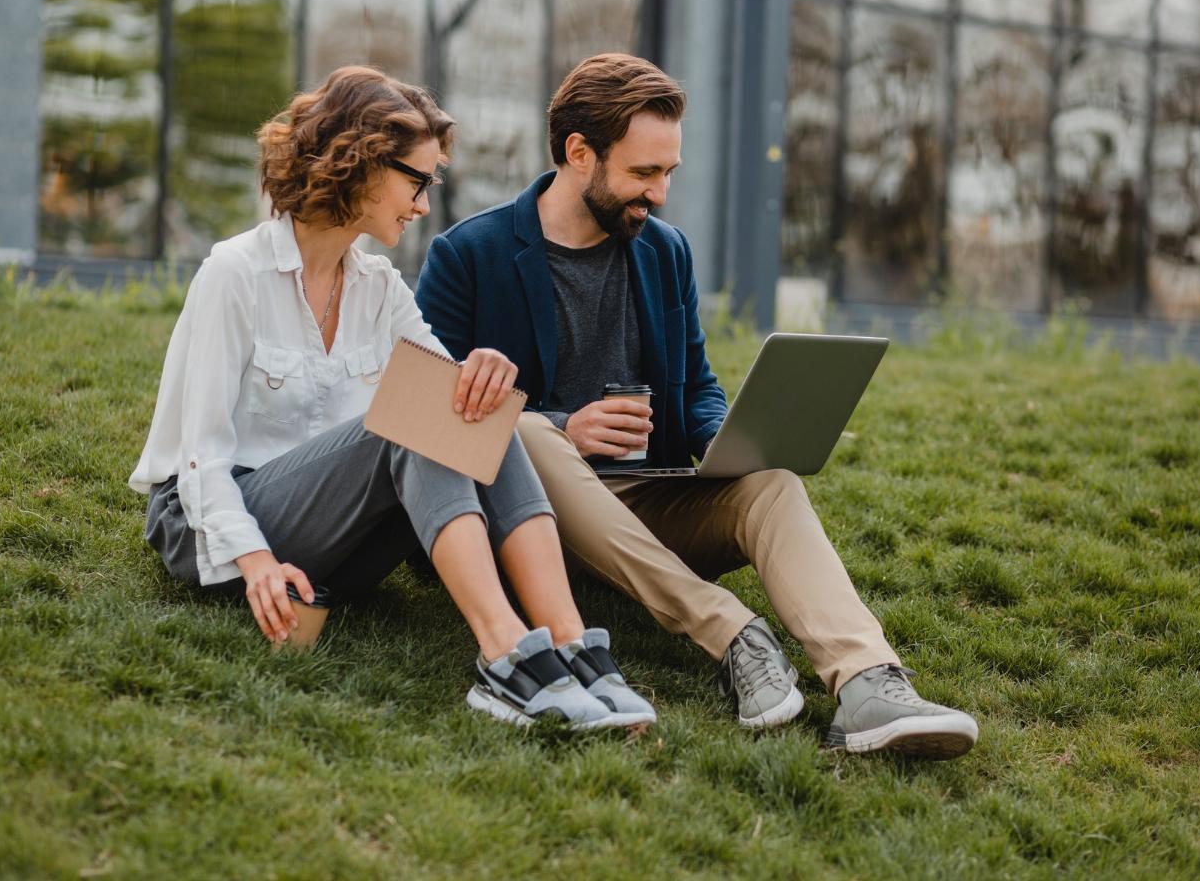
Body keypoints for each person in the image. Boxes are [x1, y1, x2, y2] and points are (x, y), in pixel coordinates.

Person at [414, 53, 978, 758]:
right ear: (578, 152)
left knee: (770, 484)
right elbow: (426, 414)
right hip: (539, 519)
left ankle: (869, 683)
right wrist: (566, 428)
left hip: (651, 497)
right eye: (644, 174)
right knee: (526, 432)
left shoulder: (664, 251)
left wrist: (723, 438)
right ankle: (732, 632)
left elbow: (700, 384)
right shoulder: (469, 254)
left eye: (669, 172)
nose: (662, 193)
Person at [128, 65, 654, 731]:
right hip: (219, 519)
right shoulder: (236, 274)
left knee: (475, 408)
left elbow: (454, 400)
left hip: (334, 534)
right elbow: (199, 455)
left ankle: (575, 648)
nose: (424, 206)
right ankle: (503, 656)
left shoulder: (378, 284)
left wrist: (479, 372)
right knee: (412, 418)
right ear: (361, 166)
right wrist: (254, 561)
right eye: (416, 181)